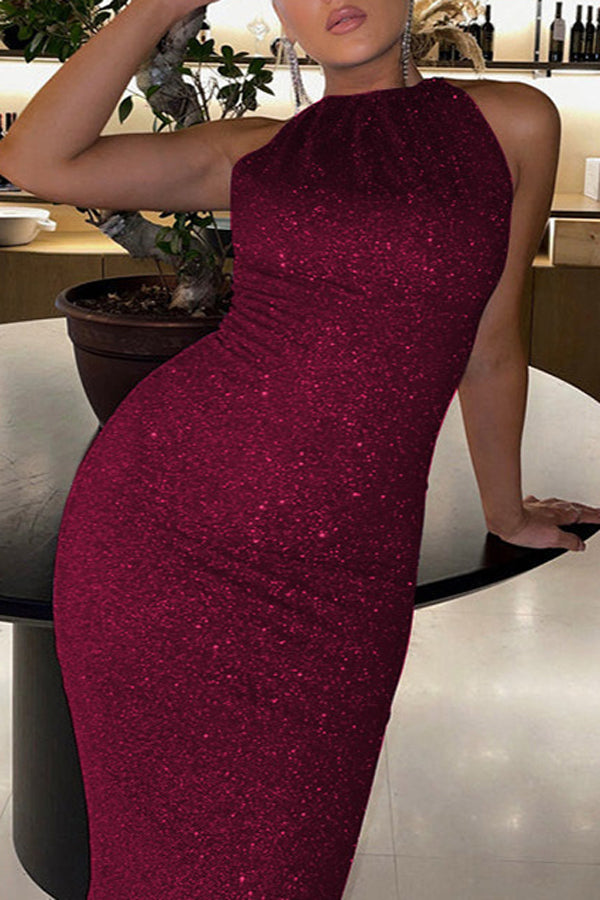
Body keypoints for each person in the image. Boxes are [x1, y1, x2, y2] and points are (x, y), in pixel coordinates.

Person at [2, 1, 599, 897]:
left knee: (289, 864)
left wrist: (505, 508)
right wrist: (160, 6)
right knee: (150, 864)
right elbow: (34, 159)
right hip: (160, 539)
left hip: (344, 580)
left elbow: (492, 340)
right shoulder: (257, 152)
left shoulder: (513, 122)